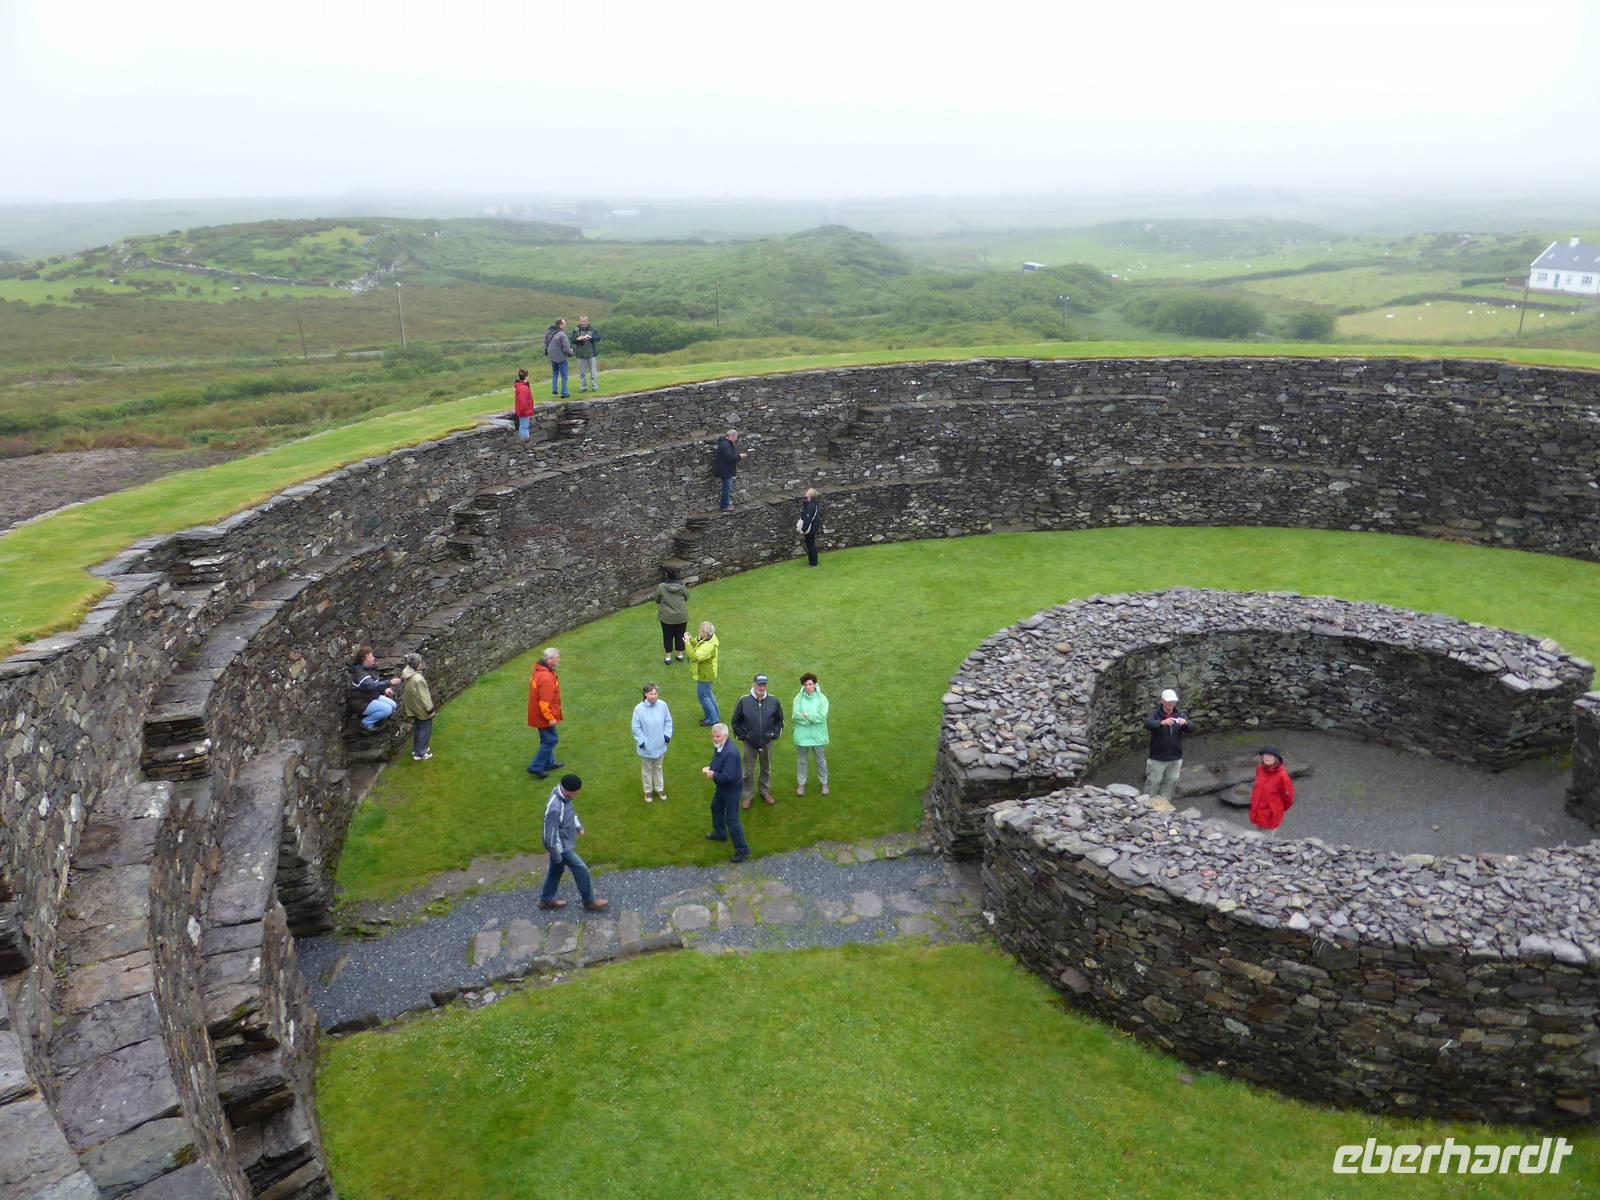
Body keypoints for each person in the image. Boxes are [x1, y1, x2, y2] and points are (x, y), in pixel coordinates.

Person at [538, 774, 608, 911]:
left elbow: (570, 813)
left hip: (562, 845)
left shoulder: (564, 797)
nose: (578, 794)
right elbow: (549, 835)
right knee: (581, 869)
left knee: (555, 871)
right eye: (576, 792)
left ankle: (546, 900)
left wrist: (578, 826)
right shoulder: (555, 808)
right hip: (561, 848)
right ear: (568, 791)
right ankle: (589, 902)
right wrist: (557, 855)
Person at [732, 673, 784, 809]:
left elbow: (779, 720)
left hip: (767, 742)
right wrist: (743, 736)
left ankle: (764, 792)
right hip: (750, 743)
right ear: (753, 684)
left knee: (766, 769)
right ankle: (748, 796)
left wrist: (774, 733)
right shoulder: (743, 701)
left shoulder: (773, 701)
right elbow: (735, 721)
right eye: (759, 684)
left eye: (764, 684)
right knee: (748, 771)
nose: (762, 687)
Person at [702, 723, 750, 863]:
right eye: (714, 736)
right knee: (715, 807)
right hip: (723, 788)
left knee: (732, 820)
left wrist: (712, 774)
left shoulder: (730, 752)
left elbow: (728, 776)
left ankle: (742, 850)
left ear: (725, 736)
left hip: (731, 790)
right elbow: (717, 761)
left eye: (718, 736)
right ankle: (720, 833)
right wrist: (711, 768)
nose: (715, 739)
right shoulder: (720, 747)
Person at [1142, 688, 1190, 799]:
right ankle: (1146, 804)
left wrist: (1186, 723)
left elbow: (1192, 728)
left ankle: (1164, 803)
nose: (1171, 704)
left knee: (1172, 780)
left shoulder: (1179, 714)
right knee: (1154, 781)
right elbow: (1148, 723)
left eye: (1173, 702)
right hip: (1158, 757)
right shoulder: (1155, 714)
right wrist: (1161, 723)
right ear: (1162, 701)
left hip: (1175, 757)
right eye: (1168, 702)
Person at [526, 647, 565, 778]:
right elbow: (544, 703)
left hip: (538, 714)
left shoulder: (540, 671)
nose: (559, 659)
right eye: (557, 657)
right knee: (551, 740)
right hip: (544, 716)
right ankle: (535, 766)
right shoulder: (546, 677)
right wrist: (550, 718)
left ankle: (549, 763)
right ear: (549, 659)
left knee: (547, 740)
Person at [631, 683, 673, 804]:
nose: (654, 696)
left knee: (658, 767)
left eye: (655, 693)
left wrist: (667, 735)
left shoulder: (663, 705)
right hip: (646, 746)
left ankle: (660, 789)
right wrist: (641, 741)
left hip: (660, 744)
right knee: (647, 769)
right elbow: (635, 727)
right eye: (651, 694)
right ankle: (648, 791)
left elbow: (668, 721)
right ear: (645, 694)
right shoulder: (639, 709)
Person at [791, 671, 830, 796]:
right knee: (802, 761)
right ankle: (801, 784)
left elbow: (821, 716)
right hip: (802, 736)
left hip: (818, 736)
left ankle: (824, 783)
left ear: (815, 684)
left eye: (810, 684)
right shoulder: (798, 698)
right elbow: (796, 715)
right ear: (803, 686)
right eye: (806, 685)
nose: (808, 687)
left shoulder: (822, 698)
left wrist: (807, 716)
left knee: (821, 761)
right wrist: (809, 720)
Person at [347, 645, 400, 732]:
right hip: (361, 703)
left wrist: (384, 690)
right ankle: (366, 722)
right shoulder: (360, 673)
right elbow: (371, 686)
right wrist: (390, 682)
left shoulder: (369, 669)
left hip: (370, 697)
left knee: (393, 705)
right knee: (387, 709)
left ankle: (377, 717)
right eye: (371, 657)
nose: (373, 658)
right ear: (364, 660)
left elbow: (376, 684)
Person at [1249, 746, 1296, 838]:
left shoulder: (1282, 777)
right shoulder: (1260, 769)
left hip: (1270, 817)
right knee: (1257, 837)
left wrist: (1276, 810)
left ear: (1276, 758)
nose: (1267, 758)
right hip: (1257, 812)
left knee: (1265, 841)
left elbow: (1288, 799)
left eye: (1271, 755)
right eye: (1265, 755)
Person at [401, 652, 436, 761]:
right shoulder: (418, 679)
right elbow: (424, 697)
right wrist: (430, 710)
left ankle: (417, 748)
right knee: (425, 729)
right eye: (421, 662)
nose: (423, 663)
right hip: (421, 708)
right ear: (417, 665)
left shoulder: (407, 673)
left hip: (413, 706)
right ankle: (421, 753)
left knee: (418, 727)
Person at [685, 621, 721, 726]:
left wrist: (687, 644)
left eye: (700, 631)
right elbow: (697, 643)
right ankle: (715, 716)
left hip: (705, 674)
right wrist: (691, 639)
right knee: (708, 695)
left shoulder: (708, 646)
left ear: (705, 633)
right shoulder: (707, 638)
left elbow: (695, 657)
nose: (698, 631)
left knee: (703, 696)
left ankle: (712, 719)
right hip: (707, 673)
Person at [656, 572, 689, 666]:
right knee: (680, 634)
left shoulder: (661, 587)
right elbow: (687, 597)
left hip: (667, 617)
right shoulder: (682, 586)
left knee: (667, 636)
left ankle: (668, 657)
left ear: (667, 576)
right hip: (681, 616)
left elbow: (656, 599)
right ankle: (680, 655)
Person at [712, 429, 746, 511]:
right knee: (727, 488)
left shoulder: (724, 443)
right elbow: (730, 457)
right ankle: (725, 506)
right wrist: (740, 456)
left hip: (725, 469)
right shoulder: (726, 445)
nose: (736, 439)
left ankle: (725, 505)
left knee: (727, 488)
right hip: (726, 470)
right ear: (732, 436)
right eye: (736, 437)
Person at [573, 315, 601, 393]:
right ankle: (583, 387)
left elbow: (598, 338)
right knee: (582, 373)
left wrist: (591, 338)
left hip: (591, 354)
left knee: (593, 372)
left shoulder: (592, 329)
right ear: (579, 322)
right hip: (580, 355)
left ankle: (594, 386)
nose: (583, 323)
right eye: (582, 321)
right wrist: (578, 339)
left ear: (587, 321)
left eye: (585, 321)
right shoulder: (576, 330)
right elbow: (572, 340)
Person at [546, 318, 573, 399]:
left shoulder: (549, 333)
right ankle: (564, 393)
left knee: (555, 373)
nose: (565, 325)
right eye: (564, 324)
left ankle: (554, 389)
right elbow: (566, 348)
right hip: (561, 357)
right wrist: (570, 353)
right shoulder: (562, 334)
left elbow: (546, 343)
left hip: (552, 356)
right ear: (560, 325)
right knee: (564, 375)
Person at [798, 487, 823, 567]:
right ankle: (813, 561)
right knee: (810, 544)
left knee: (810, 545)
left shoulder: (810, 505)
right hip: (813, 527)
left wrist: (803, 529)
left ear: (810, 494)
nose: (806, 492)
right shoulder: (813, 504)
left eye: (807, 492)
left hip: (810, 528)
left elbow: (807, 519)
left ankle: (813, 562)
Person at [513, 367, 534, 439]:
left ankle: (526, 442)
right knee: (524, 427)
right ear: (526, 376)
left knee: (524, 427)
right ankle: (524, 443)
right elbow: (523, 401)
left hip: (523, 411)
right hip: (524, 411)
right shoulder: (523, 388)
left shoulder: (521, 387)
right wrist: (524, 411)